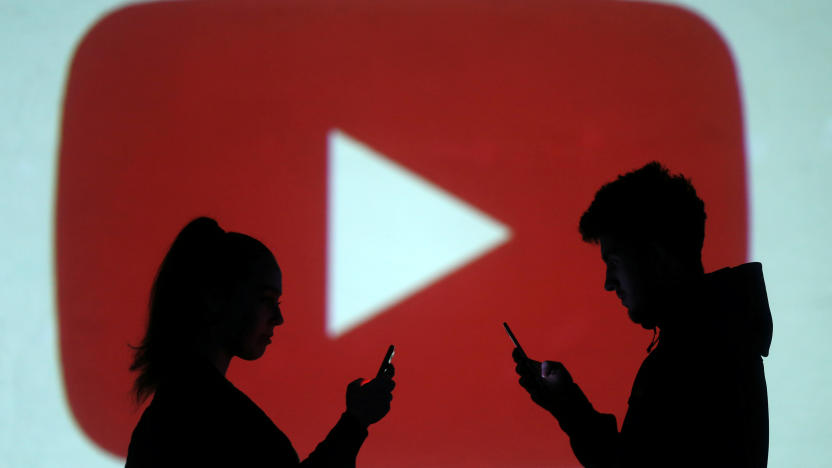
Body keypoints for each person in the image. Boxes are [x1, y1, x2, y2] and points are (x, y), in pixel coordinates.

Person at [512, 162, 772, 467]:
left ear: (656, 257)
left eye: (615, 263)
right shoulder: (721, 341)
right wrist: (568, 405)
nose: (609, 283)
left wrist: (569, 408)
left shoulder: (689, 362)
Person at [126, 217, 395, 467]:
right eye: (266, 299)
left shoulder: (174, 410)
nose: (278, 318)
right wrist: (355, 423)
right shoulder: (213, 418)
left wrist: (355, 421)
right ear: (213, 298)